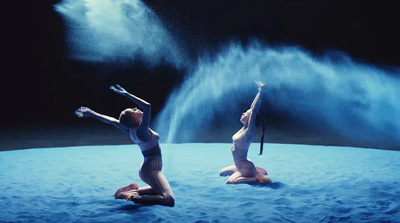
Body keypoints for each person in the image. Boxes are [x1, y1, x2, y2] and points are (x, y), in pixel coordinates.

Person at [75, 84, 174, 207]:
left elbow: (111, 121)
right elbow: (147, 106)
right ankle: (133, 196)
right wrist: (126, 94)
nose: (135, 108)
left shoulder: (132, 130)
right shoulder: (142, 132)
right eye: (133, 111)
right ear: (136, 120)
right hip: (151, 169)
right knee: (168, 199)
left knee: (158, 189)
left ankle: (127, 192)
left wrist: (92, 113)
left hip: (148, 168)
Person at [219, 81, 272, 184]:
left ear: (250, 119)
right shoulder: (243, 128)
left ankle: (256, 178)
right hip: (239, 164)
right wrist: (258, 92)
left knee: (229, 182)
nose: (243, 113)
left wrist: (262, 92)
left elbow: (254, 111)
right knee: (222, 173)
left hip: (246, 167)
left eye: (245, 114)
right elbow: (252, 109)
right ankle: (255, 171)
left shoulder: (249, 132)